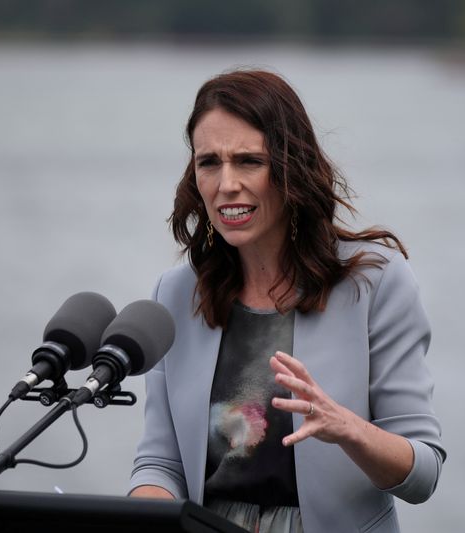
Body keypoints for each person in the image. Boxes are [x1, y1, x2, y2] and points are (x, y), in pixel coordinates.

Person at [129, 69, 445, 533]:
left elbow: (422, 475)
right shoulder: (175, 294)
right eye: (209, 162)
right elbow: (159, 462)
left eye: (249, 161)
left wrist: (347, 427)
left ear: (291, 167)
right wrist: (142, 517)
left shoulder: (376, 282)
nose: (226, 184)